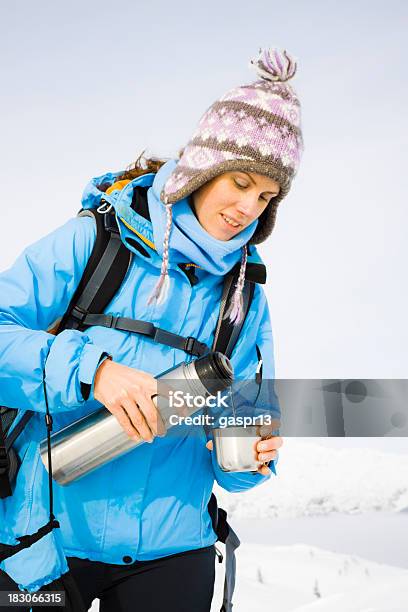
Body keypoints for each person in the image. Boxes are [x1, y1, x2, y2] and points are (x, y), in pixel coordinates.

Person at [0, 47, 303, 611]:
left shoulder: (245, 301)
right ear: (202, 169)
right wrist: (94, 371)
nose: (247, 208)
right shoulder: (95, 242)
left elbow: (239, 454)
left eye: (265, 197)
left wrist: (250, 457)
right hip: (43, 540)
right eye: (239, 182)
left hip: (173, 551)